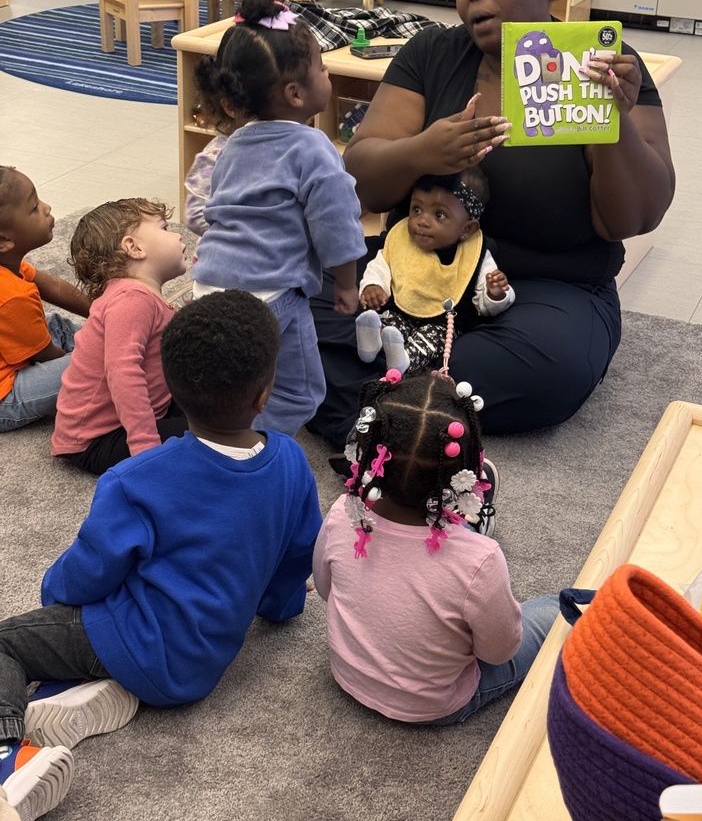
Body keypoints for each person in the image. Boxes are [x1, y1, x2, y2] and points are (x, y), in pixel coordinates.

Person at [308, 0, 675, 448]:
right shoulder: (431, 54)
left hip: (547, 289)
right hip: (416, 269)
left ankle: (365, 405)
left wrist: (614, 120)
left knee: (551, 366)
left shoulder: (601, 65)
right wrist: (423, 152)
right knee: (292, 305)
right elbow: (361, 180)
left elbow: (633, 217)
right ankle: (409, 410)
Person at [0, 290, 322, 818]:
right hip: (204, 663)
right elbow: (296, 557)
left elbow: (90, 570)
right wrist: (283, 607)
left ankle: (7, 760)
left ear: (171, 387)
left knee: (8, 646)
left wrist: (55, 601)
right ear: (264, 393)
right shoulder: (290, 462)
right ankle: (77, 691)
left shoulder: (135, 478)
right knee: (92, 627)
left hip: (136, 640)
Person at [313, 369, 559, 724]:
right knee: (559, 613)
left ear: (367, 456)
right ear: (465, 469)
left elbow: (324, 589)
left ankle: (466, 527)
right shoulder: (482, 561)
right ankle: (470, 521)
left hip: (348, 675)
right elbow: (499, 651)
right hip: (433, 706)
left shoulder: (342, 513)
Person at [192, 0, 366, 438]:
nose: (327, 74)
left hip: (208, 285)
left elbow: (217, 212)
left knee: (231, 381)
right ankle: (259, 452)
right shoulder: (313, 148)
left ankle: (216, 436)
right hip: (273, 295)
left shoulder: (231, 145)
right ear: (294, 93)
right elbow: (337, 226)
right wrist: (346, 285)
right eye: (323, 68)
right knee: (300, 392)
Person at [51, 198, 188, 475]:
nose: (177, 234)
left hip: (139, 414)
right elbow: (123, 374)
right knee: (212, 437)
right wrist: (147, 450)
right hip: (97, 439)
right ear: (133, 248)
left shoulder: (138, 296)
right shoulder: (132, 300)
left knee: (216, 409)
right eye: (165, 228)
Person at [356, 166, 514, 373]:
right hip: (401, 311)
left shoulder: (475, 254)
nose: (422, 221)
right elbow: (380, 266)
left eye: (439, 215)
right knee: (388, 323)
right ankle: (371, 345)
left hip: (444, 323)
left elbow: (486, 305)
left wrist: (495, 294)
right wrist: (373, 286)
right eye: (417, 209)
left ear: (466, 229)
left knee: (432, 340)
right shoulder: (402, 238)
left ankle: (403, 360)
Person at [0, 167, 91, 433]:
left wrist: (102, 311)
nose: (48, 207)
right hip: (5, 397)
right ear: (4, 240)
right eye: (34, 208)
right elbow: (47, 354)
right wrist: (85, 358)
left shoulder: (9, 266)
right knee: (89, 366)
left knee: (52, 322)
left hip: (13, 349)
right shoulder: (12, 296)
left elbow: (52, 286)